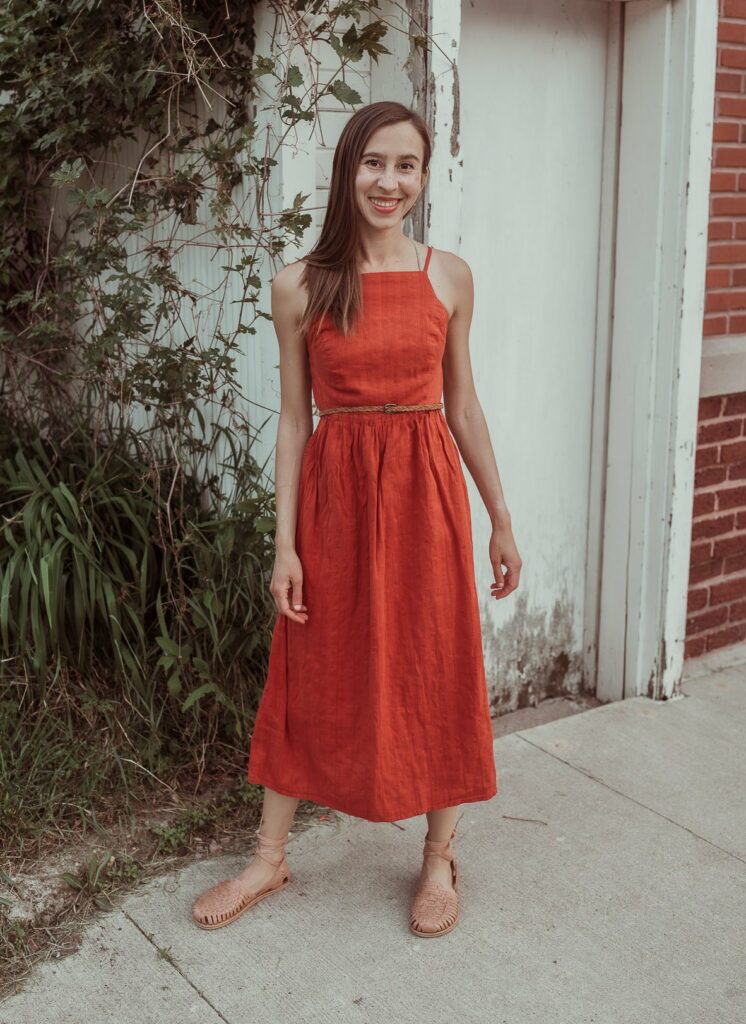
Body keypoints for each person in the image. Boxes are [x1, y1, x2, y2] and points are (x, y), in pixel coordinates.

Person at [191, 100, 522, 938]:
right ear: (348, 169)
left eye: (406, 165)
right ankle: (270, 857)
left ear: (422, 175)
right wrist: (284, 546)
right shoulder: (299, 284)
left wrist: (501, 519)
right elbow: (296, 420)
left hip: (426, 498)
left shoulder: (448, 275)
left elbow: (465, 406)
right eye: (375, 163)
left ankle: (439, 855)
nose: (390, 181)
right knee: (309, 664)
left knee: (436, 661)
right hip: (337, 502)